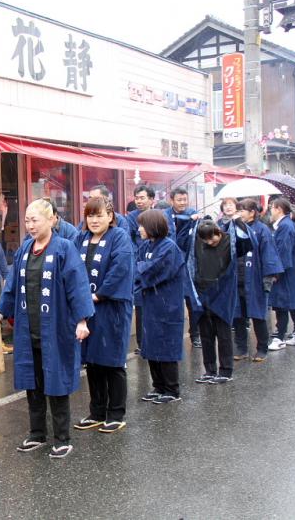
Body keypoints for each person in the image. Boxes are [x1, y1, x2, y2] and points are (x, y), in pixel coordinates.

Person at [0, 199, 94, 459]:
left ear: (51, 220)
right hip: (28, 331)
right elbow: (12, 286)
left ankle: (62, 438)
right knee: (32, 384)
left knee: (55, 383)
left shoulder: (64, 248)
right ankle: (37, 433)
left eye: (35, 220)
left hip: (55, 330)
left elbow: (77, 286)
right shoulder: (25, 249)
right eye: (27, 220)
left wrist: (82, 320)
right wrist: (0, 313)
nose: (30, 225)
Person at [72, 198, 134, 433]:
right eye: (90, 215)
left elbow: (120, 270)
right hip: (87, 308)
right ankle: (97, 412)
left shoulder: (119, 237)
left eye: (99, 215)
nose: (94, 220)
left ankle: (116, 413)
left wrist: (98, 295)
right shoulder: (80, 238)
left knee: (112, 361)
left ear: (110, 216)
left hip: (111, 307)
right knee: (93, 361)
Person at [135, 209, 189, 403]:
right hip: (151, 303)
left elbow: (152, 270)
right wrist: (141, 268)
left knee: (166, 346)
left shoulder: (169, 247)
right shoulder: (146, 245)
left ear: (152, 226)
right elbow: (137, 266)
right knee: (151, 345)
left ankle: (172, 390)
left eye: (142, 226)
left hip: (167, 305)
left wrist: (141, 268)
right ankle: (158, 386)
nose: (139, 229)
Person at [189, 220, 238, 384]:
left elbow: (247, 242)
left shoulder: (230, 240)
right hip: (202, 291)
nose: (209, 242)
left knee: (223, 334)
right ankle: (210, 370)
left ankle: (226, 370)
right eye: (206, 240)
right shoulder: (197, 242)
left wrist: (238, 222)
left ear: (218, 232)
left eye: (212, 238)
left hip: (222, 292)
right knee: (206, 334)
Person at [233, 199, 283, 362]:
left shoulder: (262, 230)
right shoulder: (235, 228)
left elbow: (269, 254)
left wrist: (268, 278)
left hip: (254, 277)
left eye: (242, 210)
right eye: (239, 210)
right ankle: (241, 348)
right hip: (237, 276)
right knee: (238, 315)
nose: (240, 213)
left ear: (252, 212)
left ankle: (262, 347)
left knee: (258, 314)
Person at [163, 187, 203, 348]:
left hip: (189, 264)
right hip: (171, 264)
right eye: (179, 200)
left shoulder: (193, 213)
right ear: (171, 200)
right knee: (172, 303)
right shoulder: (165, 215)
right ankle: (173, 335)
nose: (182, 203)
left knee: (192, 301)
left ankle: (195, 334)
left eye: (184, 199)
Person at [269, 198, 295, 349]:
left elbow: (283, 251)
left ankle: (280, 337)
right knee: (292, 304)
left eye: (272, 208)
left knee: (282, 304)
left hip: (286, 272)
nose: (270, 211)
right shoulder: (287, 224)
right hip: (291, 270)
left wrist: (276, 272)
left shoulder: (285, 226)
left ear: (278, 209)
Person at [125, 184, 155, 353]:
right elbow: (129, 240)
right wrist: (139, 259)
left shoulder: (160, 216)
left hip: (156, 263)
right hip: (138, 265)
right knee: (141, 305)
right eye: (136, 198)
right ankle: (142, 343)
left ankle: (155, 340)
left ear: (151, 199)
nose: (139, 201)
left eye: (142, 198)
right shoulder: (131, 217)